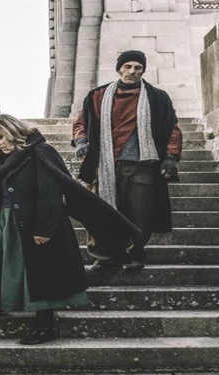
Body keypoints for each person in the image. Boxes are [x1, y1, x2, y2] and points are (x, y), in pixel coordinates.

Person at [0, 114, 140, 345]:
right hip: (4, 218)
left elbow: (51, 191)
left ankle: (45, 325)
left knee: (40, 272)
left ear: (13, 131)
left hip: (34, 220)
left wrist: (44, 228)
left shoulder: (41, 151)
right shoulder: (0, 156)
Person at [73, 50, 184, 274]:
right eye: (127, 66)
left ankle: (134, 254)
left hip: (141, 165)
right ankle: (103, 258)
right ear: (119, 69)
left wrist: (171, 157)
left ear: (143, 71)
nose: (132, 71)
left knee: (141, 214)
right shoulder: (97, 95)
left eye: (137, 68)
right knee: (99, 212)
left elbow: (172, 128)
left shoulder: (157, 97)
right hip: (103, 164)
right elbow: (81, 123)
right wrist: (81, 141)